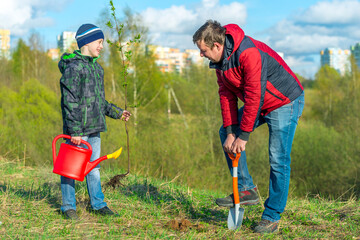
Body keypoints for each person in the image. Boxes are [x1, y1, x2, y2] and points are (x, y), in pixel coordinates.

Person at [193, 20, 304, 233]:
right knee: (225, 132)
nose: (201, 54)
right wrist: (231, 132)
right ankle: (246, 189)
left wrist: (242, 136)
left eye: (203, 50)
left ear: (216, 46)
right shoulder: (220, 62)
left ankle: (271, 216)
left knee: (278, 159)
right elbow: (226, 96)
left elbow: (254, 96)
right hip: (261, 103)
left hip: (284, 101)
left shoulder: (248, 53)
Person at [58, 23, 131, 220]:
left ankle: (98, 204)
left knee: (94, 168)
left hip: (94, 129)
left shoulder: (97, 69)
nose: (101, 46)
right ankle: (68, 206)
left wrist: (117, 112)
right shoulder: (73, 69)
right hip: (77, 131)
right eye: (99, 42)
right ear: (87, 42)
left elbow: (99, 101)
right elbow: (70, 102)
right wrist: (74, 131)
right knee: (70, 169)